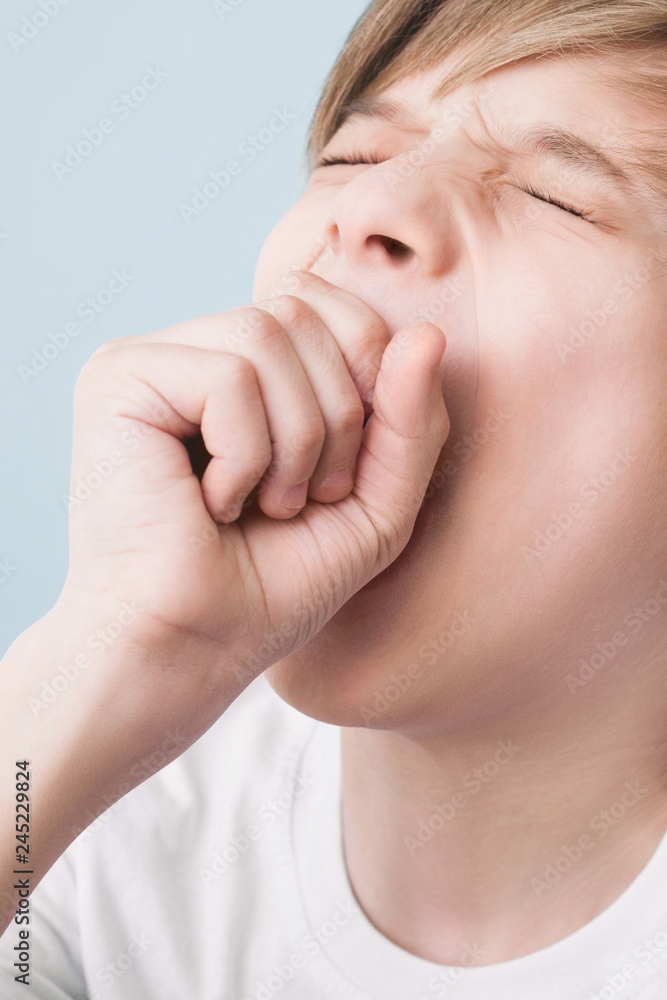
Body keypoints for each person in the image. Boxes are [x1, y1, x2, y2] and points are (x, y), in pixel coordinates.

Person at [2, 0, 667, 996]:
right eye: (352, 158)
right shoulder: (91, 827)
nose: (363, 209)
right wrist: (113, 649)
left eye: (550, 196)